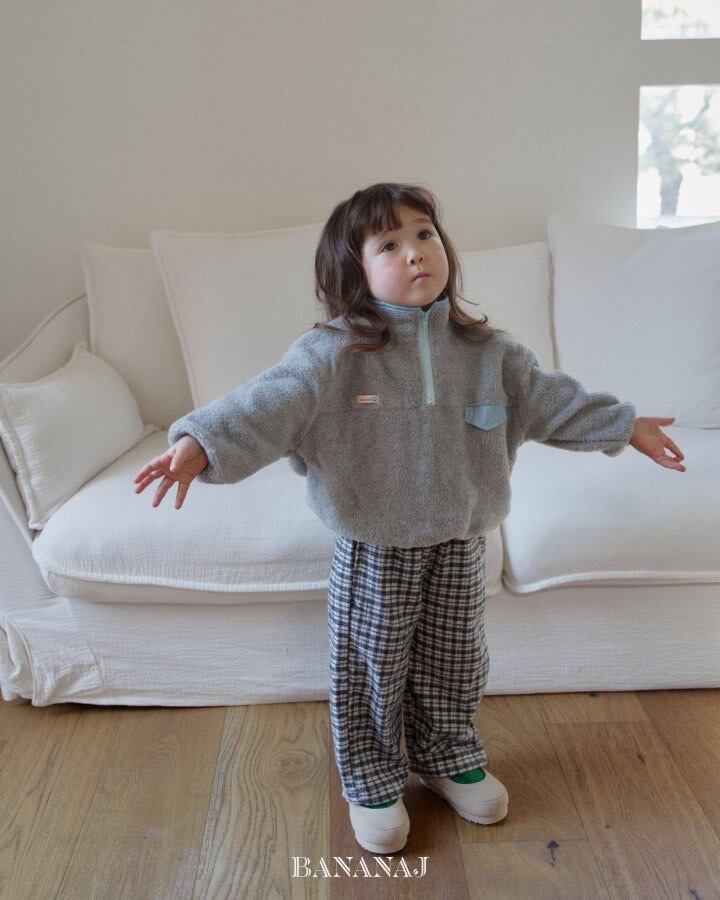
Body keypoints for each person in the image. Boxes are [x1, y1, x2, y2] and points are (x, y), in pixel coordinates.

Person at [133, 182, 685, 855]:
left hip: (461, 536)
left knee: (455, 659)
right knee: (372, 662)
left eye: (425, 234)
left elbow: (553, 402)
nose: (416, 253)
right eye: (389, 245)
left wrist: (624, 425)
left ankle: (448, 754)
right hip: (376, 544)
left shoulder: (492, 355)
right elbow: (268, 403)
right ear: (354, 272)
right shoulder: (332, 355)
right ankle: (371, 776)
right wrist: (201, 442)